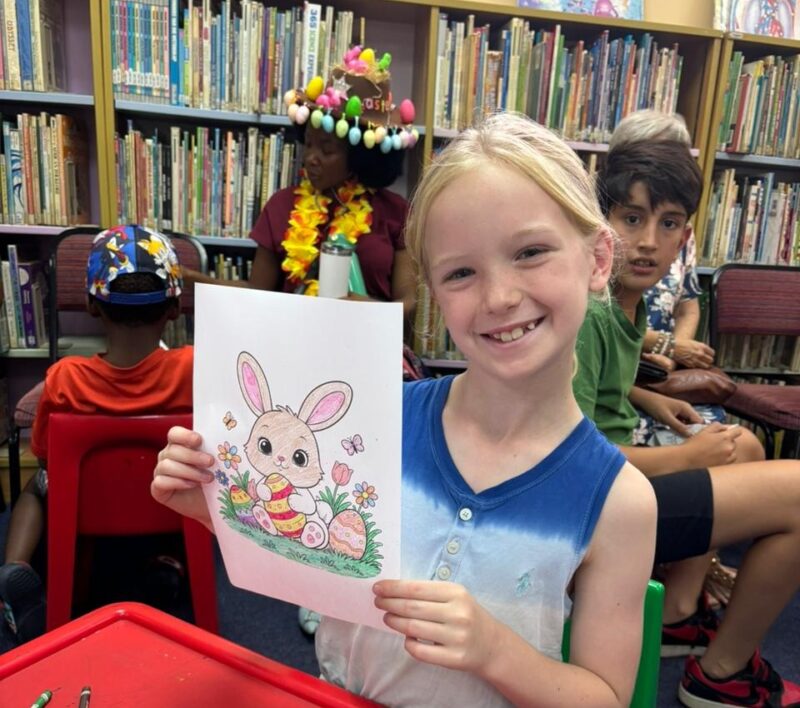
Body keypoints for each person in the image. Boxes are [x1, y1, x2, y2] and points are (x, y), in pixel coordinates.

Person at [152, 112, 658, 706]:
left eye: (530, 252)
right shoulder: (376, 422)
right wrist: (219, 509)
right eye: (462, 272)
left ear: (599, 259)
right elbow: (316, 556)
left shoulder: (619, 502)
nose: (499, 297)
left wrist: (497, 651)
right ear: (435, 294)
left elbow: (605, 696)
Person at [575, 139, 800, 706]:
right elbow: (570, 458)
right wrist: (681, 458)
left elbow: (598, 386)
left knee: (743, 445)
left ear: (685, 236)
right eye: (631, 218)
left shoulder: (628, 302)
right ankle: (721, 676)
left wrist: (649, 401)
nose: (649, 241)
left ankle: (677, 615)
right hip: (591, 510)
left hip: (617, 484)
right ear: (600, 221)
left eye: (668, 222)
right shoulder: (592, 309)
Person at [0, 225, 194, 645]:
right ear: (175, 308)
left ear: (92, 305)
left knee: (35, 486)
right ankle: (165, 560)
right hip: (172, 496)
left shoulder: (65, 378)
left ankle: (15, 569)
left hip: (87, 503)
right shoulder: (193, 369)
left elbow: (48, 455)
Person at [185, 46, 416, 321]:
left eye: (326, 150)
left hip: (368, 345)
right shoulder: (281, 206)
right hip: (291, 343)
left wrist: (367, 309)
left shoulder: (394, 212)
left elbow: (409, 301)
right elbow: (256, 294)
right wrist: (191, 278)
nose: (310, 158)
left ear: (359, 156)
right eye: (308, 145)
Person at [608, 109, 726, 447]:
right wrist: (665, 344)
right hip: (624, 387)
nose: (649, 240)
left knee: (731, 438)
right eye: (632, 217)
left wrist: (672, 357)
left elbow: (688, 305)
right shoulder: (602, 276)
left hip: (660, 378)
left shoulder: (676, 240)